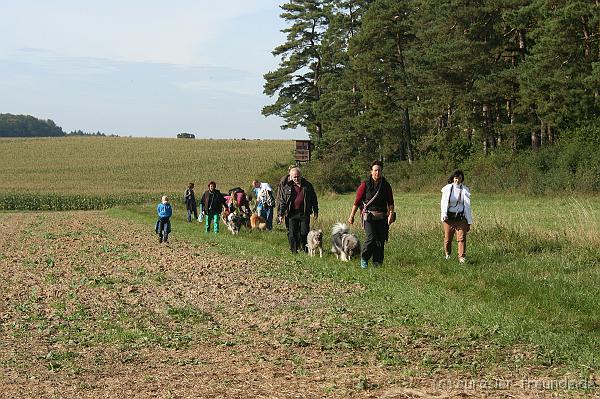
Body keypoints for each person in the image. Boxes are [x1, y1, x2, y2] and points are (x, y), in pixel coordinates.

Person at [348, 160, 395, 269]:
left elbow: (390, 202)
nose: (377, 173)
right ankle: (364, 258)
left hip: (382, 216)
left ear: (382, 171)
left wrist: (391, 214)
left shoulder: (386, 185)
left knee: (380, 240)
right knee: (372, 238)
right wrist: (351, 216)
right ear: (371, 171)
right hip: (368, 216)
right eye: (375, 170)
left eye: (379, 170)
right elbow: (357, 201)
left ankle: (377, 263)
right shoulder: (365, 185)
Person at [278, 167, 319, 253]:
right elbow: (283, 201)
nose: (296, 178)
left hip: (304, 213)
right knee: (292, 234)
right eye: (294, 177)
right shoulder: (287, 186)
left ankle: (305, 250)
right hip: (291, 213)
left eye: (298, 176)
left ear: (301, 175)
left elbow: (314, 199)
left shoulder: (308, 185)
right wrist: (280, 214)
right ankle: (294, 251)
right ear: (291, 177)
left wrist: (315, 211)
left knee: (304, 233)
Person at [440, 169, 473, 263]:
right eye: (455, 178)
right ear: (452, 178)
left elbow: (467, 206)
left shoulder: (465, 190)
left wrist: (469, 222)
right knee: (448, 239)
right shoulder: (447, 189)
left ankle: (461, 257)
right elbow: (443, 203)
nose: (457, 180)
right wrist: (444, 215)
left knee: (461, 238)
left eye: (459, 178)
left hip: (461, 218)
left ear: (462, 179)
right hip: (449, 218)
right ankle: (448, 254)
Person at [276, 165, 295, 229]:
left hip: (297, 209)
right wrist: (280, 213)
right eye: (292, 171)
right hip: (287, 207)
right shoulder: (283, 182)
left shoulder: (300, 181)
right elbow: (280, 196)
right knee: (289, 227)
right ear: (289, 172)